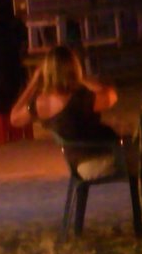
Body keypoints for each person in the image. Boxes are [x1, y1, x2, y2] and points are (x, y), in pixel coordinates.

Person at [10, 45, 122, 175]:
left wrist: (33, 83)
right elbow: (112, 96)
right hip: (103, 159)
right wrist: (81, 79)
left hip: (78, 164)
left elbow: (14, 118)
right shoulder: (80, 99)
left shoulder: (41, 104)